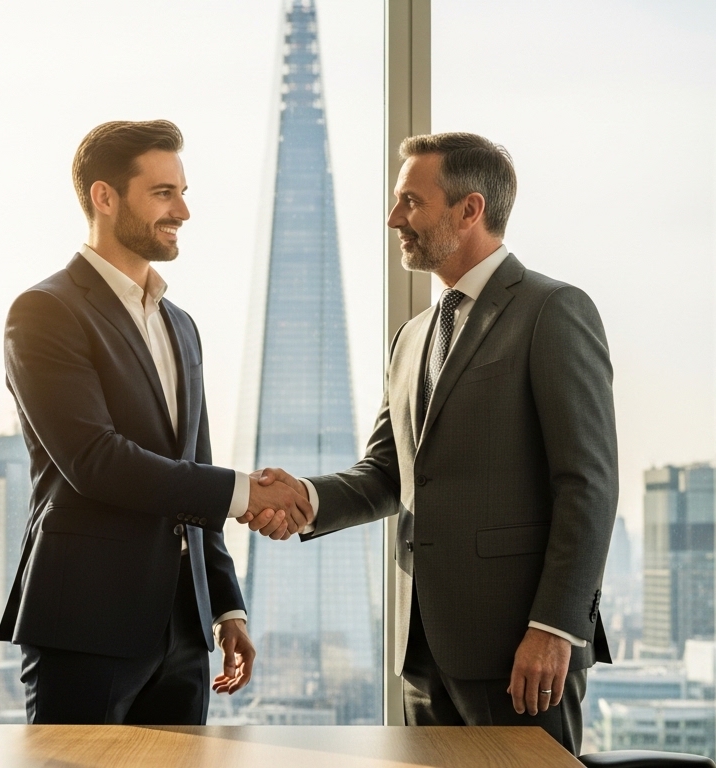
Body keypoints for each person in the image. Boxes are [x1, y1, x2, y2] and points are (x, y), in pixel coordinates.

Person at [245, 132, 618, 752]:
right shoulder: (412, 336)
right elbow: (388, 472)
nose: (395, 219)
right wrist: (305, 495)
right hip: (422, 650)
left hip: (520, 651)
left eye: (411, 203)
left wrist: (553, 627)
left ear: (470, 210)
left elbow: (588, 483)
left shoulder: (553, 311)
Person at [0, 119, 313, 724]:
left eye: (184, 192)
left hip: (185, 631)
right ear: (105, 198)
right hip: (87, 623)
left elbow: (189, 472)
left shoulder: (181, 325)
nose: (184, 211)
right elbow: (95, 460)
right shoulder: (45, 311)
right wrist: (247, 493)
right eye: (164, 192)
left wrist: (225, 606)